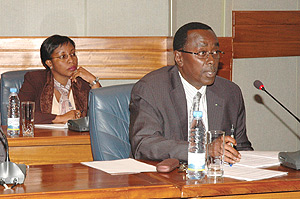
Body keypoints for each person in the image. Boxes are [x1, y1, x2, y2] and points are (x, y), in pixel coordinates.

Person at [129, 22, 253, 164]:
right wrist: (203, 150)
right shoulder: (151, 89)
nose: (211, 60)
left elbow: (242, 147)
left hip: (216, 178)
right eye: (202, 53)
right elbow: (144, 144)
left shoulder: (230, 92)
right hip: (166, 178)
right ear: (179, 58)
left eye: (215, 53)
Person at [19, 35, 101, 124]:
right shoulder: (35, 80)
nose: (71, 60)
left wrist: (94, 82)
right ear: (49, 63)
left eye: (72, 54)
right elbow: (21, 113)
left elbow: (103, 115)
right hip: (46, 136)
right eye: (63, 56)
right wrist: (60, 118)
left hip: (79, 137)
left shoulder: (82, 81)